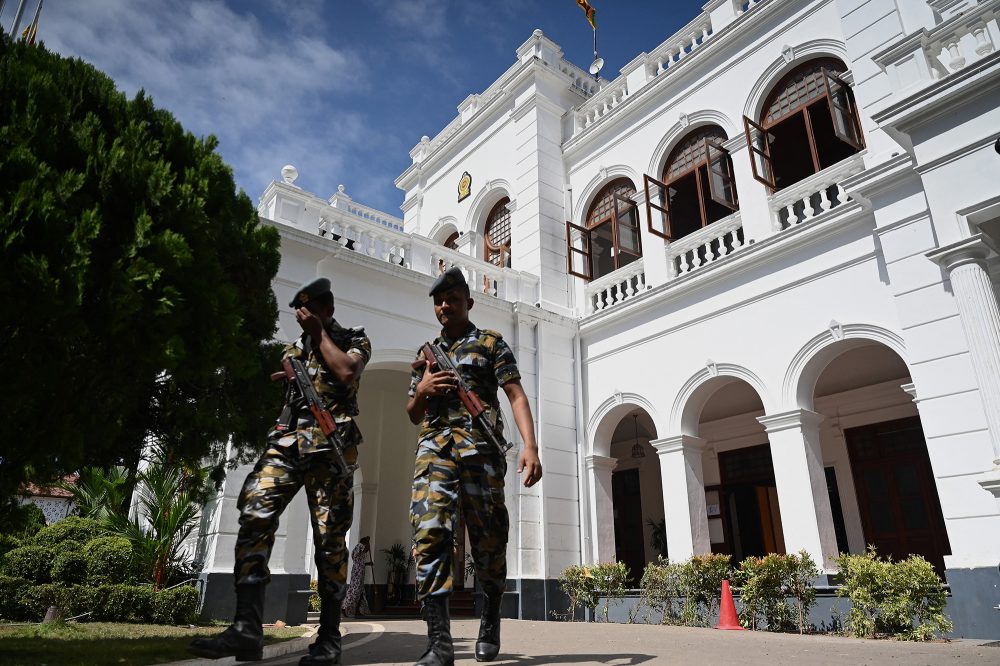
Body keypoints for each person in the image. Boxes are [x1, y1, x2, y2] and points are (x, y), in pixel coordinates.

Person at [189, 277, 370, 666]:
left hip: (331, 448)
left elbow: (346, 372)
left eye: (311, 309)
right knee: (254, 509)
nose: (303, 317)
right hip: (288, 445)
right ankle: (247, 628)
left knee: (329, 543)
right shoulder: (292, 351)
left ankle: (329, 637)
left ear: (327, 309)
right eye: (299, 310)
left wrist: (320, 335)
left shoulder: (354, 338)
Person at [406, 267, 542, 666]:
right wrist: (424, 390)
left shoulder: (490, 343)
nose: (444, 305)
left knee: (488, 541)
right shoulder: (425, 355)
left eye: (452, 298)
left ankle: (490, 618)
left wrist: (529, 446)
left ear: (469, 301)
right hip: (434, 450)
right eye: (439, 300)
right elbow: (413, 412)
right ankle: (439, 642)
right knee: (429, 531)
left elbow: (515, 394)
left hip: (481, 451)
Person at [341, 536, 372, 617]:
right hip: (358, 573)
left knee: (360, 591)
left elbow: (359, 561)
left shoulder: (357, 548)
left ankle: (358, 610)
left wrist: (368, 563)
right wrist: (368, 542)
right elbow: (366, 550)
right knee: (355, 590)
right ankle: (344, 607)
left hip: (359, 571)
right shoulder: (360, 546)